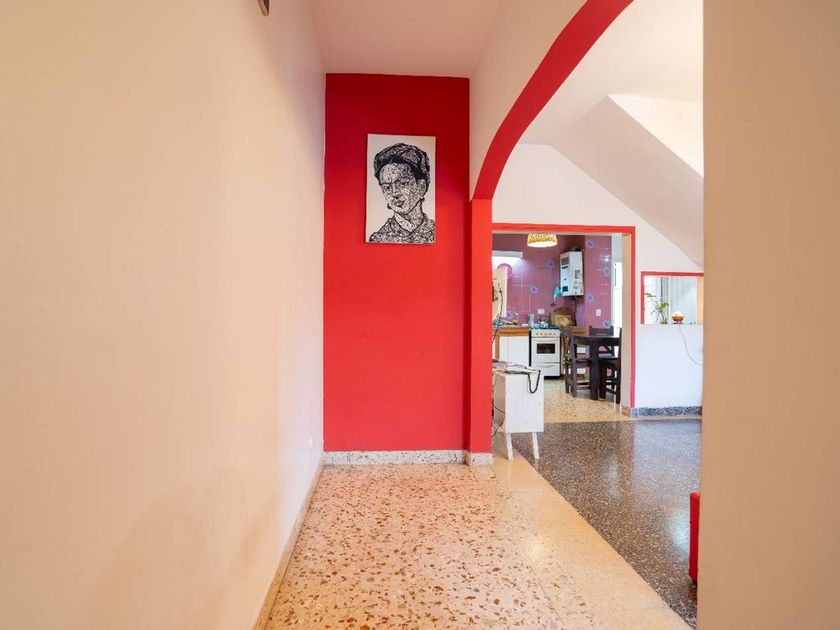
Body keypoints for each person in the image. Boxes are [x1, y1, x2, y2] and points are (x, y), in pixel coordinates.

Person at [368, 143, 435, 244]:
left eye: (403, 183)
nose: (394, 193)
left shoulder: (436, 232)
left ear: (421, 187)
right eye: (387, 187)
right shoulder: (379, 238)